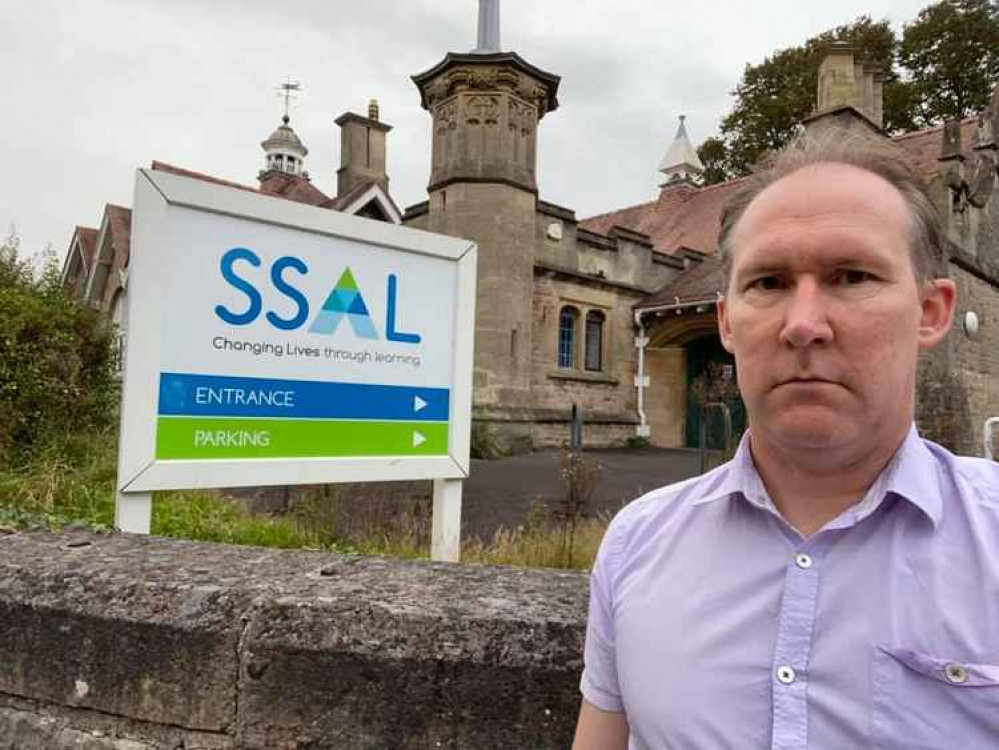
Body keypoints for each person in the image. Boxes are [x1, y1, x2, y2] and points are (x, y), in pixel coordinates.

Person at [572, 134, 999, 750]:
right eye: (768, 282)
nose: (802, 325)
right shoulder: (635, 543)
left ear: (931, 311)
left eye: (852, 276)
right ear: (726, 321)